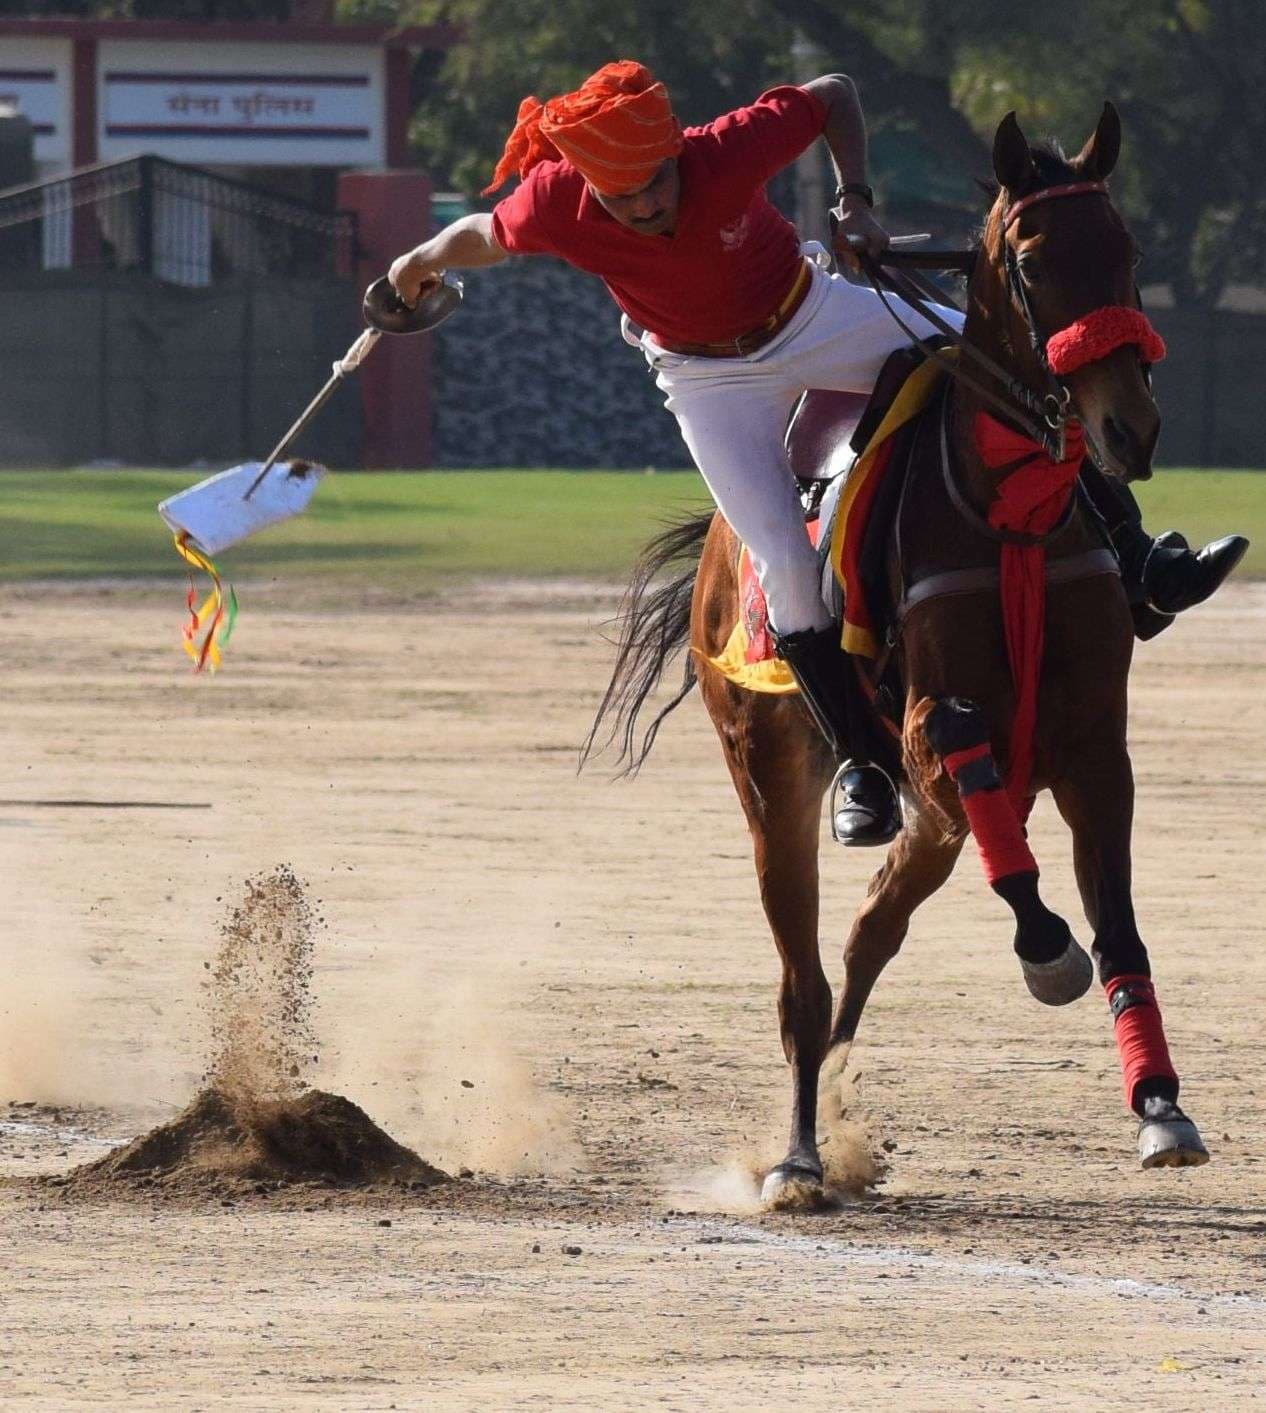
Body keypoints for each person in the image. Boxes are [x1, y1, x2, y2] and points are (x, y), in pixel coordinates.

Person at [389, 60, 1245, 846]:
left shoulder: (724, 150)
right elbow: (476, 234)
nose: (646, 205)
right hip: (704, 380)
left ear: (674, 152)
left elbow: (834, 92)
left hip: (811, 316)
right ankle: (862, 766)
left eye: (656, 183)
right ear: (588, 185)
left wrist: (855, 198)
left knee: (1022, 378)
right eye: (624, 198)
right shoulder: (554, 204)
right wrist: (413, 266)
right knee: (786, 571)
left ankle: (1141, 563)